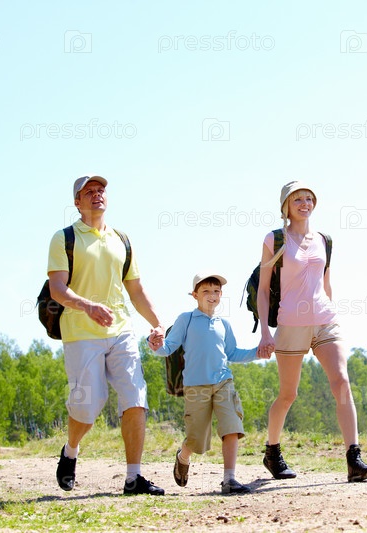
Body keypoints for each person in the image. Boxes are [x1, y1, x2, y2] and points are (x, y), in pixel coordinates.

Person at [48, 175, 165, 496]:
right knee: (87, 407)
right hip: (80, 332)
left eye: (101, 190)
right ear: (77, 202)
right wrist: (87, 306)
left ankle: (133, 477)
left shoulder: (121, 239)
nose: (97, 195)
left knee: (135, 397)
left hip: (121, 330)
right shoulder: (64, 238)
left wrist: (157, 324)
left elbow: (136, 289)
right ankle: (71, 450)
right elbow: (57, 288)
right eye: (89, 192)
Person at [256, 181, 367, 483]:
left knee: (342, 382)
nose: (305, 203)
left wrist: (332, 314)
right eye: (298, 199)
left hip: (325, 320)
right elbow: (263, 289)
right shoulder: (275, 239)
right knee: (288, 394)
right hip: (290, 324)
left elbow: (326, 283)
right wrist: (265, 333)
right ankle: (272, 452)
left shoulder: (324, 240)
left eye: (309, 198)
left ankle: (354, 458)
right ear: (286, 206)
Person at [147, 273, 259, 494]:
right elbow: (167, 348)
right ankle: (183, 457)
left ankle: (229, 479)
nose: (212, 295)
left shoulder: (224, 324)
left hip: (223, 382)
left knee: (232, 426)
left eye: (216, 291)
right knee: (197, 439)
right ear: (195, 295)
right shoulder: (186, 319)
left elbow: (232, 353)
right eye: (206, 291)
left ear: (221, 295)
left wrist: (258, 352)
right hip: (195, 387)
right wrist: (154, 344)